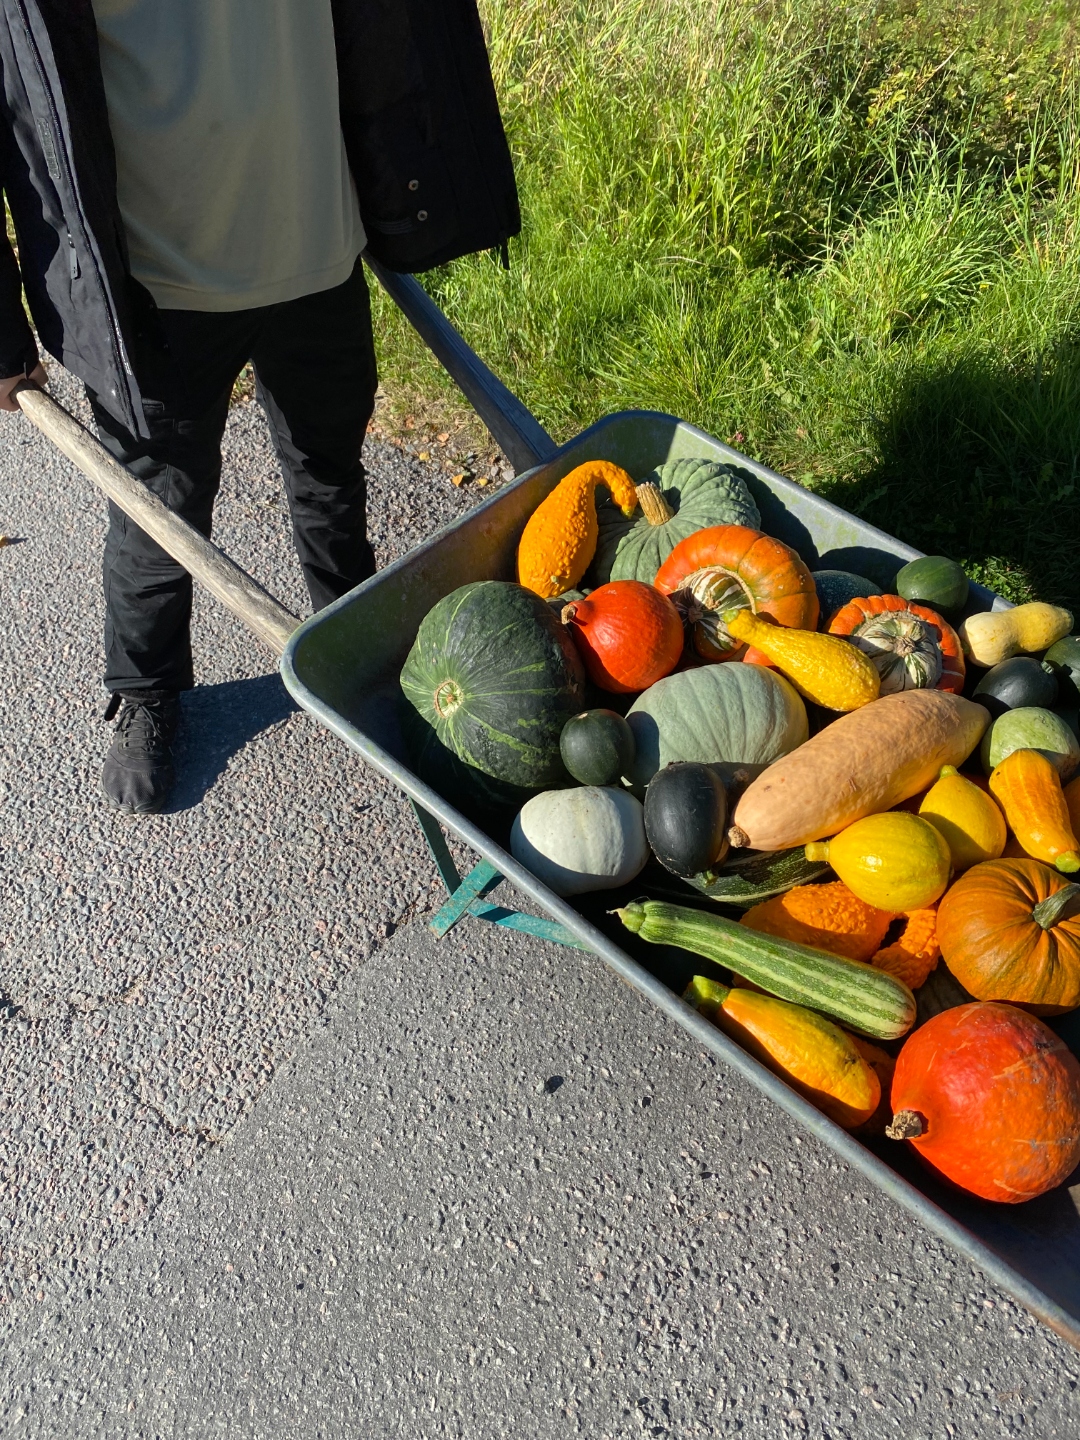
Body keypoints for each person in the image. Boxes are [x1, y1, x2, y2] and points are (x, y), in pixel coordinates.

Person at [0, 1, 518, 814]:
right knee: (158, 513)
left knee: (331, 470)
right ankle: (148, 692)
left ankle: (353, 643)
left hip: (318, 242)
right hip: (156, 287)